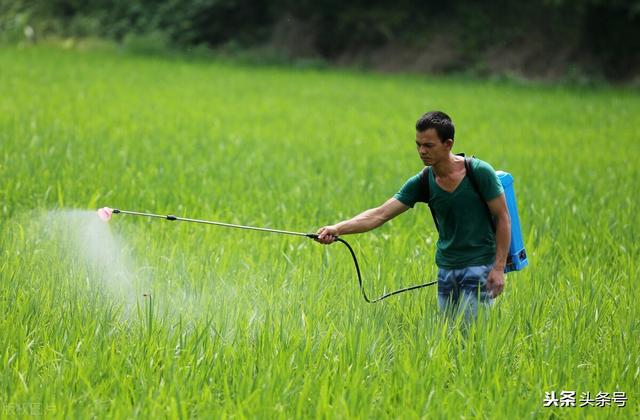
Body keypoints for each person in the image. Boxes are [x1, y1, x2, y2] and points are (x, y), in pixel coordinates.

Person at [315, 111, 510, 322]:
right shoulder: (424, 180)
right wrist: (337, 228)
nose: (421, 151)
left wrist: (498, 268)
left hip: (479, 265)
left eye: (428, 145)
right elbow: (380, 214)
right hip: (446, 267)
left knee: (472, 337)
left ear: (448, 144)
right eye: (418, 144)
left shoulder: (479, 172)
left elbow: (503, 218)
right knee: (450, 336)